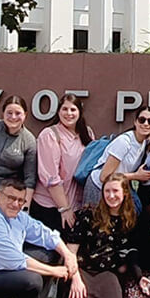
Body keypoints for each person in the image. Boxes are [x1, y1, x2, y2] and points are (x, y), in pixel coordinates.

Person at [64, 172, 138, 298]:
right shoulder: (88, 214)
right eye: (107, 191)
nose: (111, 196)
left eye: (115, 191)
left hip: (109, 276)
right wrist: (75, 280)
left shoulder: (130, 221)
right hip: (82, 272)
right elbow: (70, 252)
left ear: (125, 193)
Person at [31, 93, 95, 232]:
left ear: (80, 112)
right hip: (52, 207)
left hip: (77, 206)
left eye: (73, 110)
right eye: (65, 109)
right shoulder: (49, 134)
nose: (69, 113)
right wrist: (64, 208)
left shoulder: (87, 133)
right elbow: (50, 177)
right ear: (58, 111)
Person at [84, 106, 150, 213]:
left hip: (119, 187)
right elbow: (104, 176)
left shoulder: (144, 143)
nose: (146, 124)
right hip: (99, 188)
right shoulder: (124, 142)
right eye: (142, 120)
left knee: (136, 212)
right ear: (135, 122)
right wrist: (136, 176)